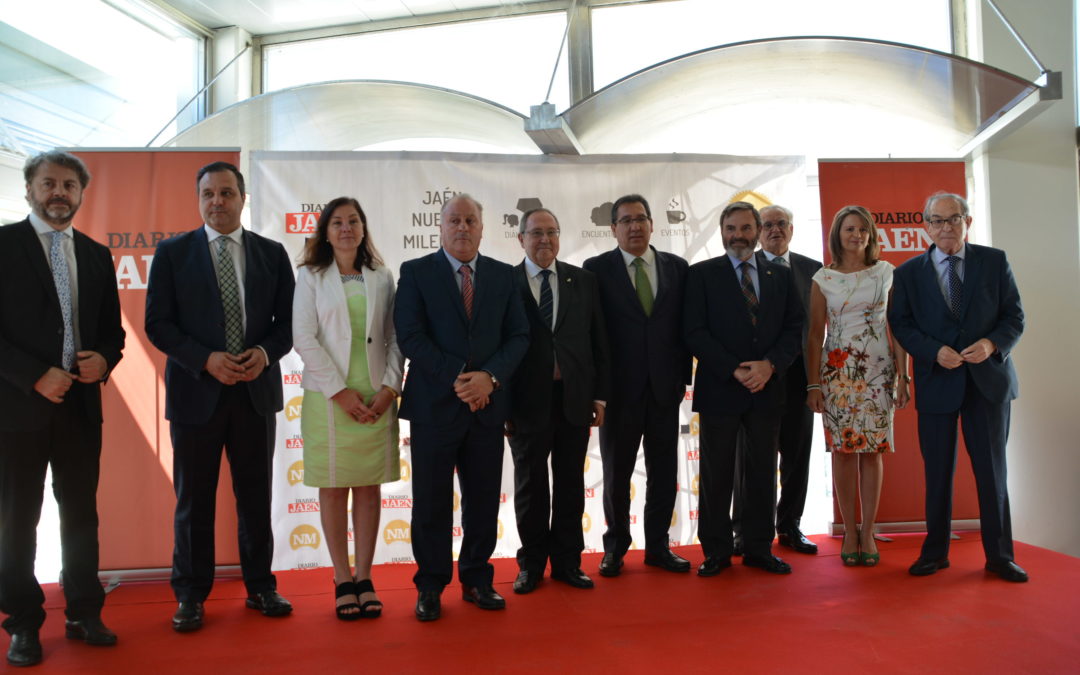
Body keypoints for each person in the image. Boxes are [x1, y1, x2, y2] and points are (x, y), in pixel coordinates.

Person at [145, 161, 296, 632]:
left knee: (254, 497)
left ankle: (261, 588)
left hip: (254, 394)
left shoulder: (272, 254)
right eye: (208, 193)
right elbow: (157, 324)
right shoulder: (172, 254)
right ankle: (190, 595)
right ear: (199, 199)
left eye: (227, 192)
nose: (218, 201)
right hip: (196, 396)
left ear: (242, 198)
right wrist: (205, 359)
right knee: (194, 501)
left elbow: (288, 326)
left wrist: (264, 354)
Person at [0, 151, 125, 667]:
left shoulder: (96, 255)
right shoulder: (3, 245)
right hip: (16, 411)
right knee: (15, 520)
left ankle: (84, 612)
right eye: (49, 183)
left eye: (69, 185)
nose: (59, 192)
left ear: (80, 194)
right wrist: (33, 374)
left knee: (80, 517)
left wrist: (106, 359)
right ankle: (23, 623)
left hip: (80, 409)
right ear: (29, 189)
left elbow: (113, 333)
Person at [394, 194, 529, 621]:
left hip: (487, 406)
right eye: (454, 220)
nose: (463, 227)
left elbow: (519, 336)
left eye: (471, 220)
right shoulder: (415, 273)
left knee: (483, 498)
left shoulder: (504, 276)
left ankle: (477, 578)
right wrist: (459, 377)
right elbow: (410, 335)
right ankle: (430, 585)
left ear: (482, 227)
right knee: (431, 502)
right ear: (441, 226)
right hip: (436, 405)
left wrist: (489, 377)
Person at [888, 193, 1027, 582]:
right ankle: (935, 553)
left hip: (989, 383)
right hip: (938, 383)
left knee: (992, 473)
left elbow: (1014, 316)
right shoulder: (908, 273)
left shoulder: (994, 261)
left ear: (968, 221)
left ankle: (1000, 556)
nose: (945, 227)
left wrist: (991, 344)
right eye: (937, 220)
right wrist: (933, 352)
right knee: (938, 473)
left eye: (953, 219)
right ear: (925, 226)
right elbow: (901, 324)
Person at [292, 197, 403, 619]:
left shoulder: (381, 275)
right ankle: (341, 578)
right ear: (325, 230)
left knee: (369, 487)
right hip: (329, 398)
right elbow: (305, 339)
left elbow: (396, 338)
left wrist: (390, 389)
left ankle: (365, 576)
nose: (346, 228)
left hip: (375, 397)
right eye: (337, 222)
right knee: (335, 488)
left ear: (363, 227)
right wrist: (340, 393)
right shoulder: (310, 276)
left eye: (353, 221)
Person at [684, 201, 803, 576]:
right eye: (731, 228)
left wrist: (771, 365)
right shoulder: (701, 274)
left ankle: (757, 548)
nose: (739, 235)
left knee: (762, 473)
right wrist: (732, 369)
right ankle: (716, 551)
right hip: (722, 388)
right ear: (722, 232)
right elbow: (693, 331)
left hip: (767, 389)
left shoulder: (779, 275)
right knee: (717, 474)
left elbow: (795, 328)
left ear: (757, 230)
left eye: (745, 228)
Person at [583, 194, 692, 577]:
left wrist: (682, 381)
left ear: (651, 224)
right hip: (618, 393)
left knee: (665, 474)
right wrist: (597, 390)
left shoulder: (678, 268)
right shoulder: (594, 270)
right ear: (613, 228)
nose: (634, 227)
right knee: (616, 474)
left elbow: (686, 329)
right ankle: (615, 548)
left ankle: (659, 547)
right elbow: (592, 335)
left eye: (641, 219)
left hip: (665, 390)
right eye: (625, 221)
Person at [506, 208, 610, 595]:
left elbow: (598, 342)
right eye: (536, 233)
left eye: (552, 232)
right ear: (521, 239)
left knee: (570, 483)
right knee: (530, 487)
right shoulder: (506, 282)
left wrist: (600, 395)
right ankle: (531, 565)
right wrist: (504, 405)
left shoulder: (583, 280)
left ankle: (567, 563)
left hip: (575, 398)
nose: (544, 239)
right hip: (525, 403)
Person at [806, 205, 909, 567]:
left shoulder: (886, 273)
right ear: (838, 234)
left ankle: (869, 531)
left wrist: (904, 374)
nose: (857, 235)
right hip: (838, 375)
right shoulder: (823, 278)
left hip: (879, 373)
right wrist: (813, 385)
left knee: (873, 451)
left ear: (871, 235)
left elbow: (896, 326)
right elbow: (815, 334)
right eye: (850, 229)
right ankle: (849, 530)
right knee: (845, 452)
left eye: (863, 229)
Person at [732, 205, 823, 556]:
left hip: (801, 376)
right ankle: (745, 531)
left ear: (792, 228)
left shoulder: (814, 270)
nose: (774, 230)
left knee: (797, 455)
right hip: (757, 376)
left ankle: (790, 527)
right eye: (767, 224)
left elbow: (817, 328)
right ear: (757, 231)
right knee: (751, 460)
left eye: (781, 223)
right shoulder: (743, 266)